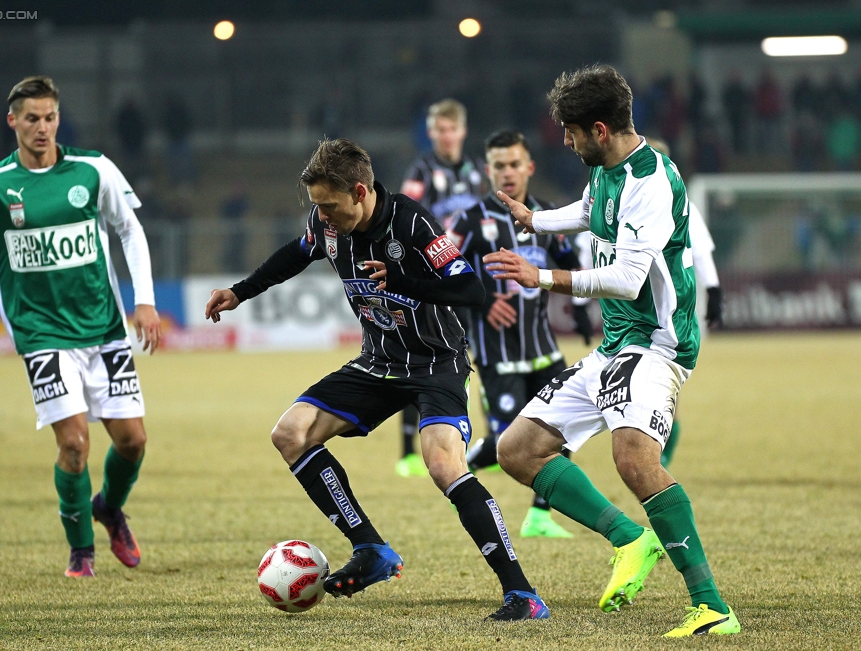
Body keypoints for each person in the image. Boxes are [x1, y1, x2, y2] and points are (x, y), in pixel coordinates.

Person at [205, 138, 549, 621]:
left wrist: (403, 279)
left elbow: (469, 288)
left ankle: (521, 593)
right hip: (378, 361)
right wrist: (240, 292)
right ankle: (370, 548)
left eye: (329, 206)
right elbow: (294, 254)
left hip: (435, 362)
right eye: (316, 207)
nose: (322, 217)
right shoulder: (325, 226)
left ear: (361, 192)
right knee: (290, 433)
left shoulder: (411, 222)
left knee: (442, 463)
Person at [483, 65, 740, 637]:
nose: (567, 143)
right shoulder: (608, 170)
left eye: (572, 133)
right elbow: (588, 212)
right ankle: (631, 539)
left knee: (634, 460)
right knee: (518, 449)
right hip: (617, 343)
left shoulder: (650, 181)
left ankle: (712, 606)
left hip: (657, 344)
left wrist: (540, 275)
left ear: (599, 129)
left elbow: (626, 278)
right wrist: (535, 219)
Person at [0, 76, 162, 578]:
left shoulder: (93, 169)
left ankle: (109, 507)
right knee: (73, 444)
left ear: (57, 118)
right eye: (31, 119)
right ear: (13, 122)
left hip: (103, 326)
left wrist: (145, 301)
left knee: (133, 441)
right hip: (40, 331)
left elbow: (129, 231)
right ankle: (82, 551)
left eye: (49, 118)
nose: (42, 128)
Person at [448, 129, 592, 539]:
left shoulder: (547, 216)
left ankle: (540, 516)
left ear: (528, 167)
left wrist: (581, 311)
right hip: (497, 354)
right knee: (508, 439)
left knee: (560, 432)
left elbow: (572, 265)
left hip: (544, 350)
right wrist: (479, 301)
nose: (507, 173)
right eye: (499, 166)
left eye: (514, 164)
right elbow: (442, 277)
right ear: (488, 171)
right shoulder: (468, 222)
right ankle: (469, 462)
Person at [395, 98, 488, 478]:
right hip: (431, 283)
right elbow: (403, 219)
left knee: (467, 359)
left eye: (452, 129)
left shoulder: (479, 173)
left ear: (462, 131)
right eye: (440, 130)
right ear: (431, 132)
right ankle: (408, 453)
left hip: (465, 280)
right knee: (418, 359)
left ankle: (470, 441)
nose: (447, 136)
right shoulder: (421, 170)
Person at [644, 137, 722, 467]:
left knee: (665, 391)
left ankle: (660, 458)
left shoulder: (681, 201)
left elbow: (700, 248)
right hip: (634, 308)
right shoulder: (624, 198)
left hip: (673, 309)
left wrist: (715, 291)